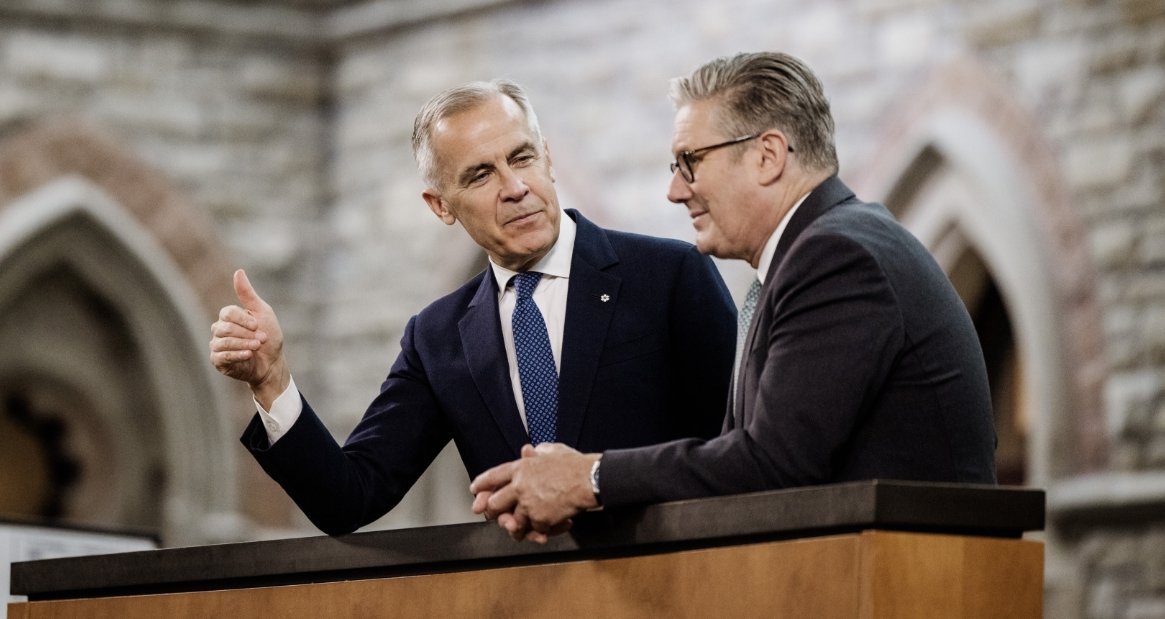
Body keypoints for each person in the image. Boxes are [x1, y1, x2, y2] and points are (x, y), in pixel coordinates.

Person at [470, 52, 998, 543]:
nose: (676, 191)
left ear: (768, 156)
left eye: (690, 161)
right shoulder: (813, 255)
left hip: (908, 580)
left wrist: (591, 477)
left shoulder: (837, 258)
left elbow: (772, 464)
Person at [209, 79, 736, 535]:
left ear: (548, 158)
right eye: (481, 175)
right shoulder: (437, 338)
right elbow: (349, 496)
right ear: (440, 205)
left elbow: (736, 450)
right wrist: (271, 380)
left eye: (522, 158)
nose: (515, 187)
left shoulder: (669, 276)